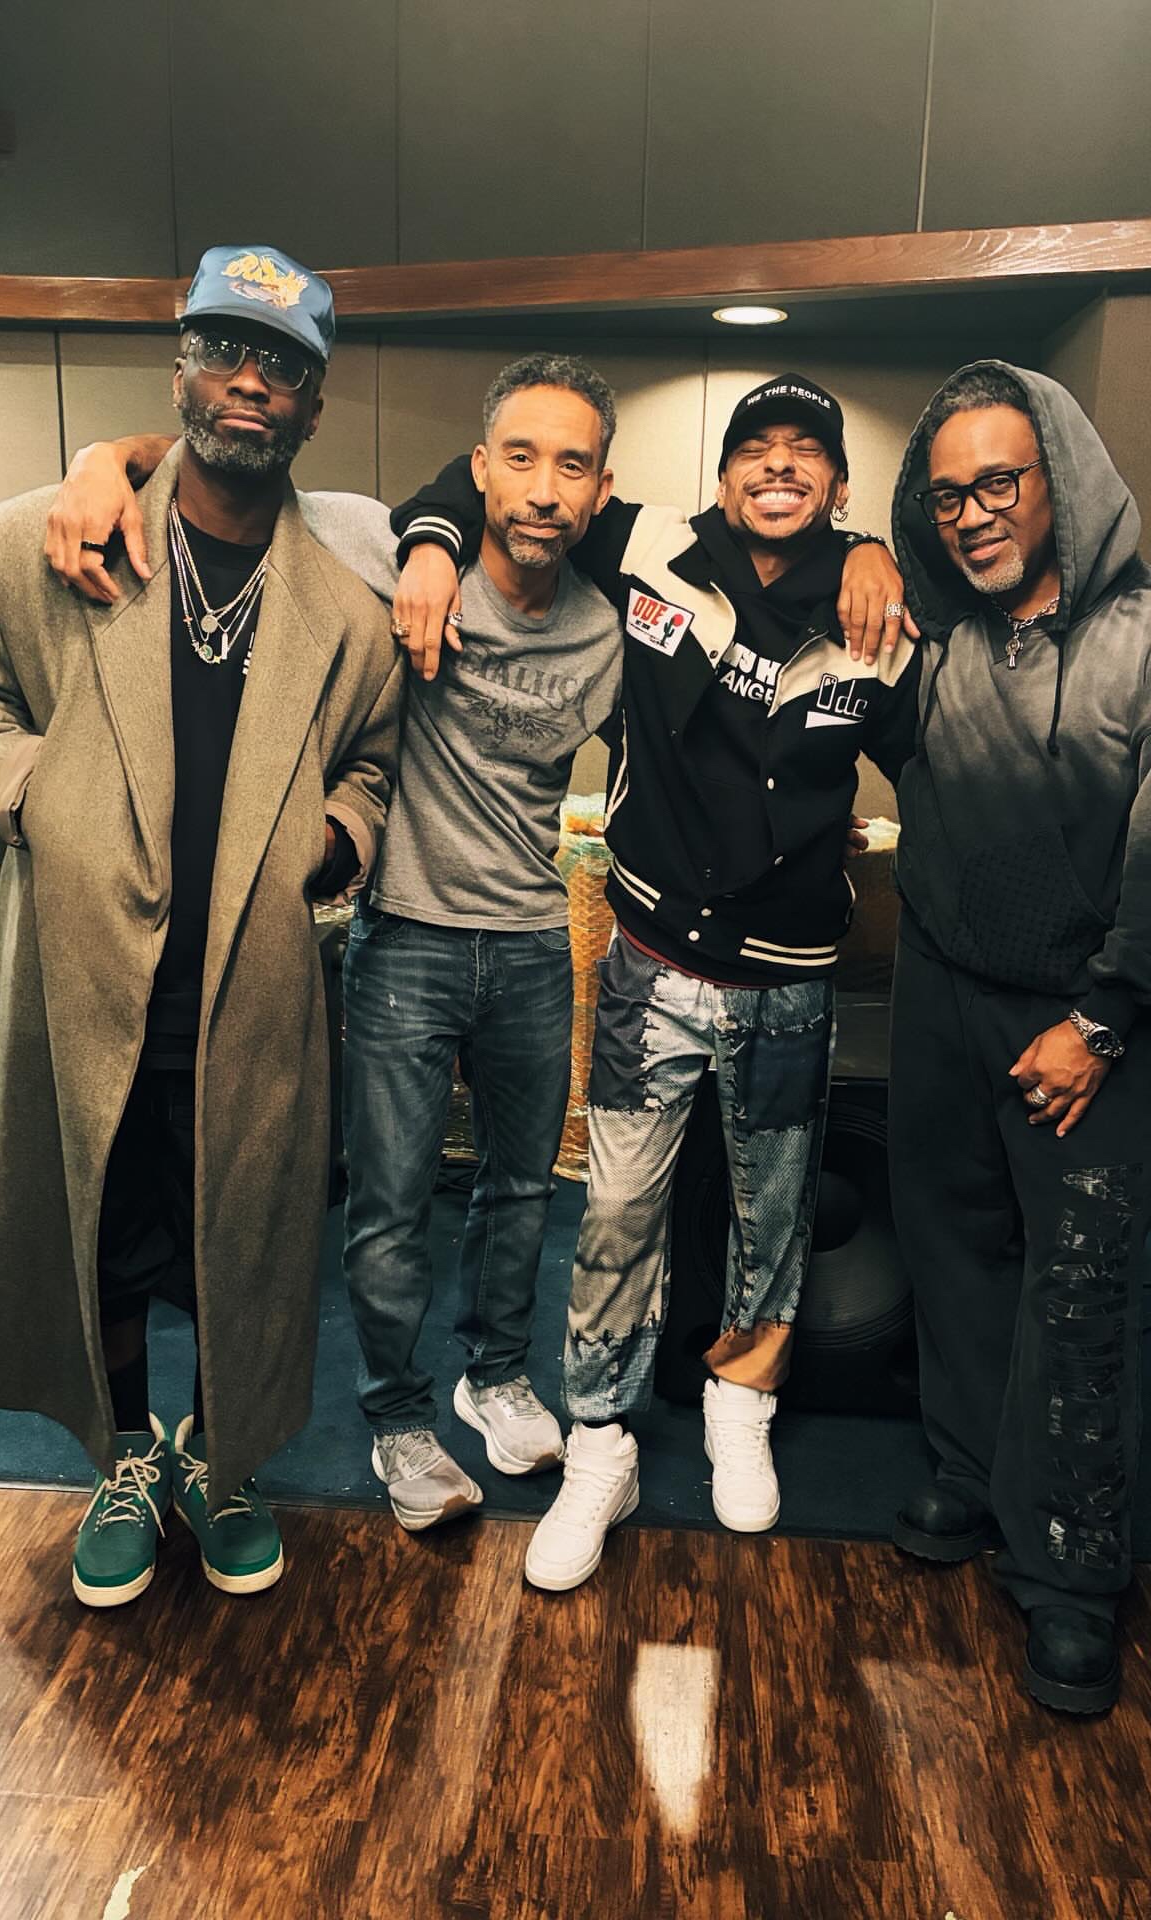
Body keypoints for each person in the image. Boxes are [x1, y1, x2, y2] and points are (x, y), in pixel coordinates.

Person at [0, 244, 403, 1607]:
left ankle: (224, 1464)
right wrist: (42, 798)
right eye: (227, 350)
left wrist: (336, 839)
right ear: (178, 370)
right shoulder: (37, 547)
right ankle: (126, 1456)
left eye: (283, 367)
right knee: (100, 1226)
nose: (251, 382)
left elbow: (371, 765)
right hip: (76, 976)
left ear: (313, 406)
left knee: (240, 1239)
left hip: (250, 989)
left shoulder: (346, 615)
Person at [45, 354, 623, 1530]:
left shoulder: (611, 630)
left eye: (572, 465)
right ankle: (398, 1418)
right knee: (391, 1205)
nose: (543, 488)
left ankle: (494, 1375)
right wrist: (102, 459)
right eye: (519, 457)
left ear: (601, 491)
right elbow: (228, 462)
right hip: (405, 939)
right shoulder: (382, 543)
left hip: (530, 941)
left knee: (521, 1191)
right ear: (476, 468)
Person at [391, 372, 918, 1589]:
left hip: (790, 985)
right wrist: (426, 544)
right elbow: (491, 483)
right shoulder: (649, 550)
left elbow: (938, 769)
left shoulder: (876, 614)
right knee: (616, 1216)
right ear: (723, 477)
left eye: (805, 452)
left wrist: (879, 554)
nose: (778, 466)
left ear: (838, 485)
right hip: (648, 968)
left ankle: (742, 1407)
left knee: (773, 1218)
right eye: (756, 448)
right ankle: (601, 1443)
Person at [884, 360, 1151, 1712]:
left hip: (1088, 1020)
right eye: (948, 496)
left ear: (1062, 480)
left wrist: (1101, 1020)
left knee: (1081, 1290)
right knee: (951, 1246)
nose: (974, 514)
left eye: (999, 483)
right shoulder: (938, 635)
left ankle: (1068, 1574)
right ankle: (972, 1475)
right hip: (942, 991)